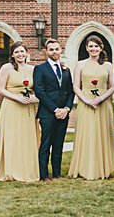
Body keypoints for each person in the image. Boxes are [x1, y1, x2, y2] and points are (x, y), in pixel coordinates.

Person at [70, 35, 114, 180]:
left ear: (101, 48)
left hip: (103, 104)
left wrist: (101, 98)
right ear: (86, 48)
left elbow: (113, 86)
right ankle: (85, 167)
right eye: (91, 46)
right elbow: (76, 86)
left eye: (96, 46)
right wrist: (86, 100)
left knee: (102, 133)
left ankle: (103, 167)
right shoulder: (80, 64)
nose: (93, 49)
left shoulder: (108, 66)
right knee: (87, 133)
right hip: (85, 104)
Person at [0, 43, 39, 183]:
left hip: (28, 107)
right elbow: (1, 89)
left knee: (27, 138)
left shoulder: (33, 69)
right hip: (12, 106)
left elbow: (38, 89)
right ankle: (11, 170)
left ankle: (27, 169)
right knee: (13, 138)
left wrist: (34, 98)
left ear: (26, 53)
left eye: (22, 51)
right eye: (17, 52)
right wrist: (17, 98)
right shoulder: (6, 68)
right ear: (12, 54)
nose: (20, 54)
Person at [31, 39, 75, 180]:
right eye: (51, 49)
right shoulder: (40, 69)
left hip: (63, 113)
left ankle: (56, 173)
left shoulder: (66, 70)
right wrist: (55, 109)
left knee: (58, 143)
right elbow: (39, 91)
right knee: (46, 143)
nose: (54, 52)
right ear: (46, 51)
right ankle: (44, 174)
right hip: (47, 113)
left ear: (61, 50)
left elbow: (70, 91)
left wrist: (67, 108)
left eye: (57, 49)